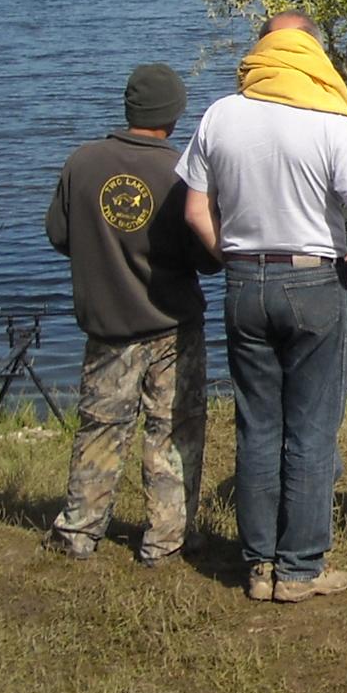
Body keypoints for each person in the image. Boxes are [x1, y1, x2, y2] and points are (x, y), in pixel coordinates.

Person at [179, 12, 347, 603]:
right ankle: (299, 568)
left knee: (257, 424)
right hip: (315, 278)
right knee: (313, 429)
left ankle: (258, 564)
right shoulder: (335, 122)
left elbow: (196, 211)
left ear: (261, 51)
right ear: (314, 53)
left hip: (244, 281)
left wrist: (232, 258)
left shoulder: (221, 113)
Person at [43, 63, 218, 566]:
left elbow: (59, 235)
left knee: (100, 427)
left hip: (107, 325)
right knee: (173, 430)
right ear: (174, 115)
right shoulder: (182, 172)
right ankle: (166, 540)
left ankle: (78, 531)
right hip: (173, 326)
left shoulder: (82, 162)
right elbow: (207, 257)